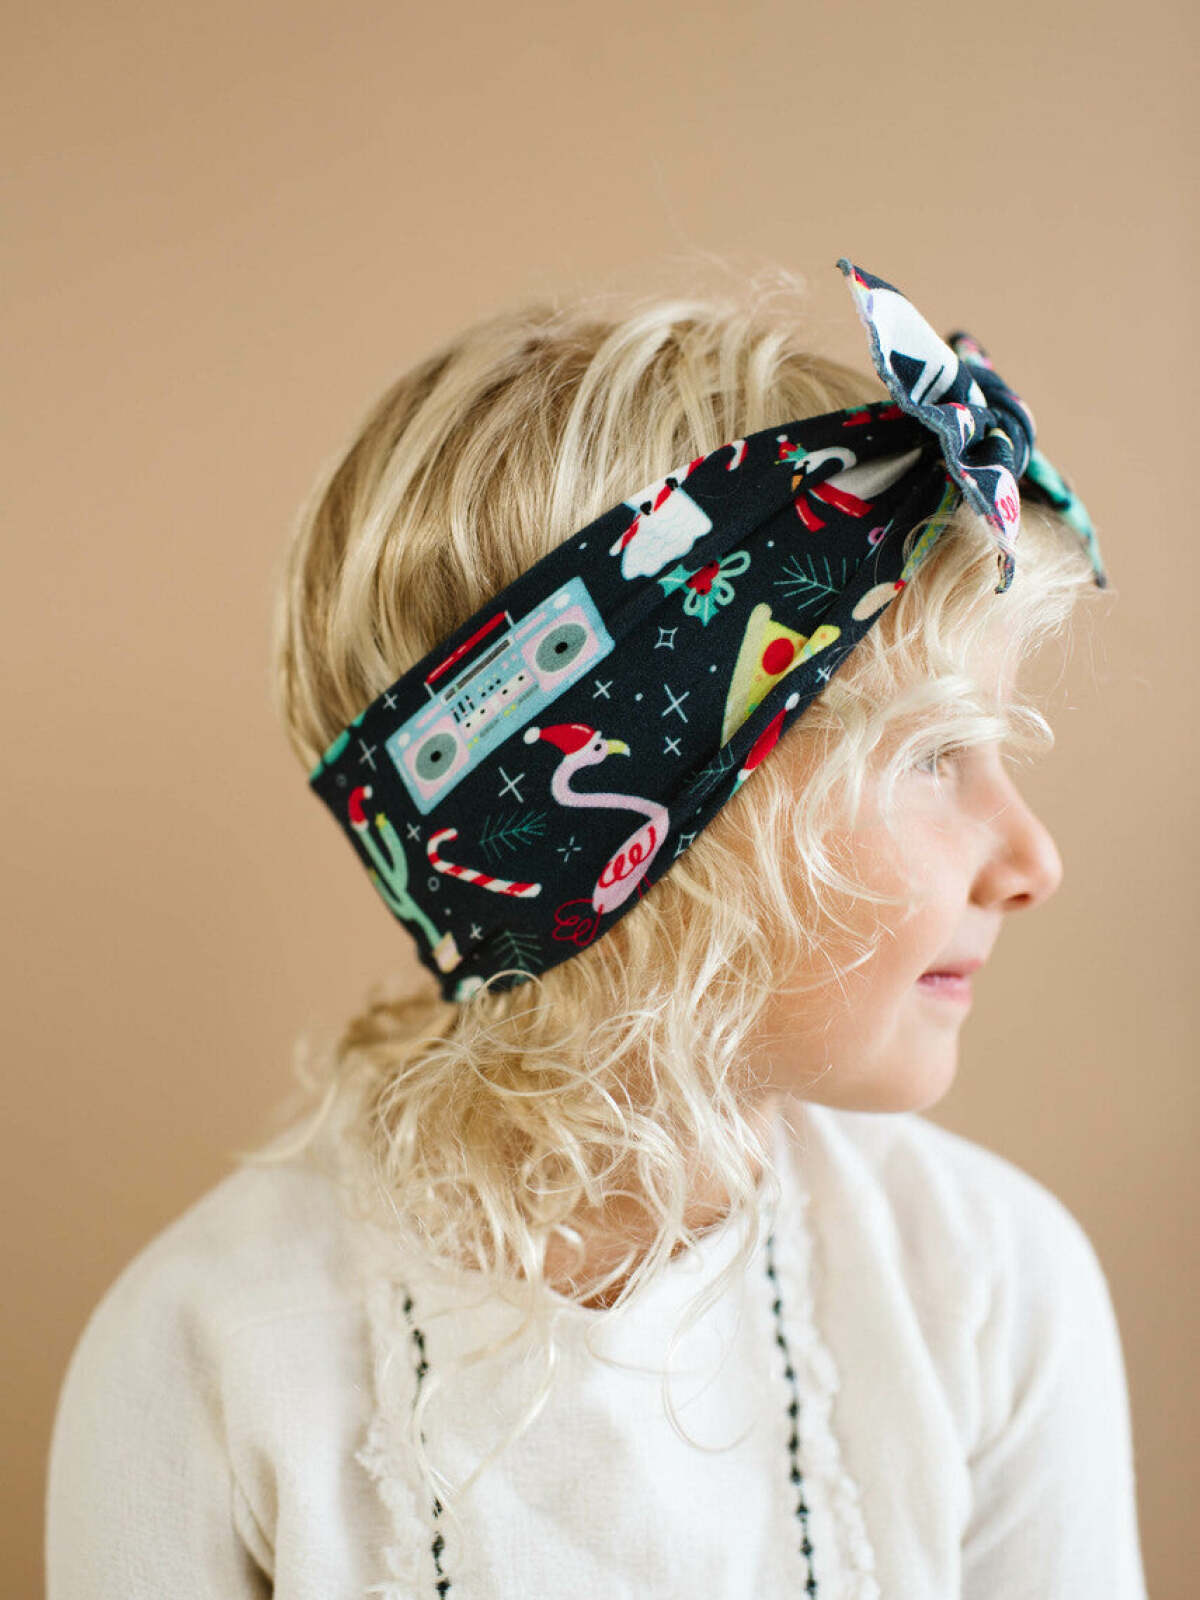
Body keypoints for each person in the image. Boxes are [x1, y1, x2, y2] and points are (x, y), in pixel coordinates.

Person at [45, 259, 1148, 1598]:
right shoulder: (215, 1360)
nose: (1033, 861)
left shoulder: (985, 1292)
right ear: (655, 838)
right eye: (929, 758)